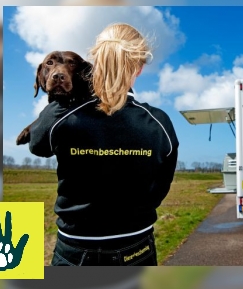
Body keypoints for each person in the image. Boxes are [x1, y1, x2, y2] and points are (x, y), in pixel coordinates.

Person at [28, 23, 179, 266]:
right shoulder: (159, 122)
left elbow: (37, 146)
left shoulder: (60, 114)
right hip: (137, 247)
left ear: (96, 61)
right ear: (139, 68)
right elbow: (161, 185)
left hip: (75, 248)